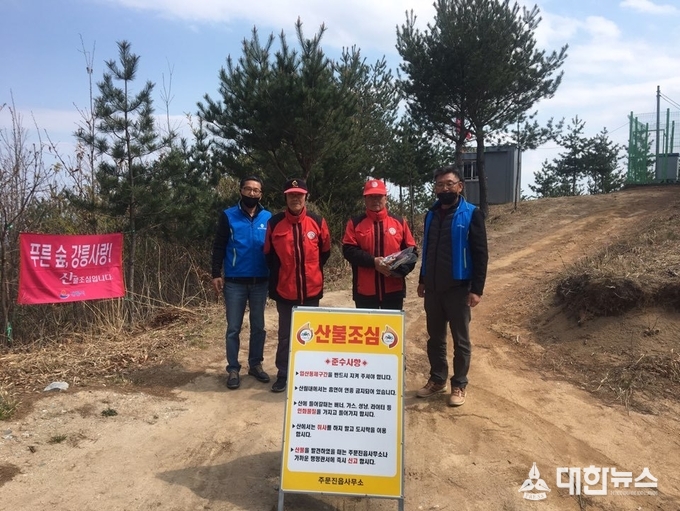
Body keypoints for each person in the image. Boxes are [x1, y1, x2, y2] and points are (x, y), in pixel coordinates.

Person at [416, 166, 488, 407]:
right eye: (439, 185)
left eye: (449, 184)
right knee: (435, 339)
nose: (444, 188)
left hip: (459, 288)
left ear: (460, 186)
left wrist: (477, 289)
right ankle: (438, 380)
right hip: (434, 289)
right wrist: (423, 279)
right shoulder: (431, 215)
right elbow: (427, 250)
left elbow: (481, 254)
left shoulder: (471, 214)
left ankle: (459, 384)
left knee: (461, 340)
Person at [264, 178, 331, 393]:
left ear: (305, 196)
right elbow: (268, 255)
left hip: (311, 290)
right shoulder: (275, 223)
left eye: (299, 194)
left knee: (310, 334)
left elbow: (325, 251)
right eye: (291, 194)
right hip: (285, 291)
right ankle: (283, 373)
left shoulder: (317, 221)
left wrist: (310, 271)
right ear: (286, 197)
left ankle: (309, 373)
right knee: (285, 335)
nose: (295, 198)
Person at [211, 176, 272, 390]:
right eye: (248, 189)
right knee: (233, 328)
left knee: (259, 327)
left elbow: (274, 249)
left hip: (260, 281)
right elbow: (219, 245)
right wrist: (215, 273)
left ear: (261, 194)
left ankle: (255, 365)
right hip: (234, 282)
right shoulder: (228, 215)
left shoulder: (268, 217)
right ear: (241, 191)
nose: (252, 193)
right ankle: (233, 369)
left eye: (256, 190)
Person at [342, 178, 418, 310]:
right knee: (367, 324)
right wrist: (373, 262)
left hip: (393, 290)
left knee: (391, 324)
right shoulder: (354, 223)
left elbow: (412, 252)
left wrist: (399, 271)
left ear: (386, 198)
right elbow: (349, 251)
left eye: (379, 196)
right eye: (371, 196)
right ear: (365, 199)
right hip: (365, 291)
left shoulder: (399, 222)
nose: (375, 200)